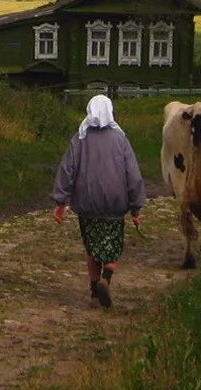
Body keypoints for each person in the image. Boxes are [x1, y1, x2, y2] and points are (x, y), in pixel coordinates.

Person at [52, 94, 146, 308]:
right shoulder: (120, 139)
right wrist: (136, 207)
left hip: (87, 203)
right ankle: (107, 275)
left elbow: (67, 170)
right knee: (113, 245)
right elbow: (132, 174)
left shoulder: (80, 138)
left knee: (92, 246)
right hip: (115, 203)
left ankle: (95, 287)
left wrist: (60, 201)